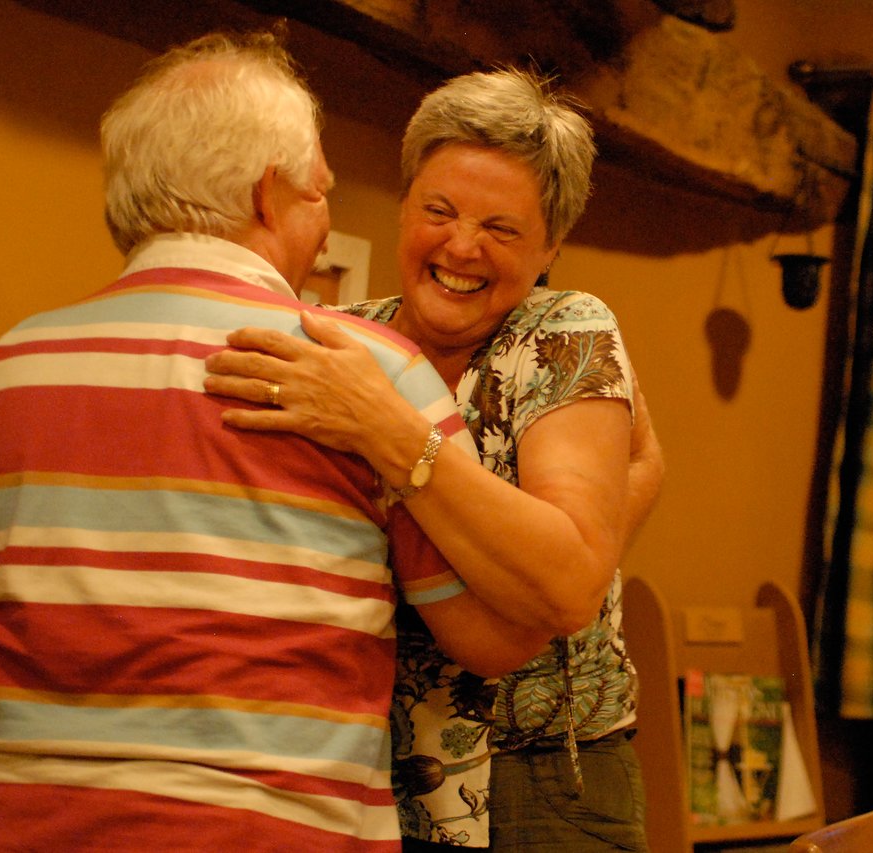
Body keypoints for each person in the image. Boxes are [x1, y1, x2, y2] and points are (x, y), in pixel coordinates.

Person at [0, 32, 544, 852]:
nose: (323, 224)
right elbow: (492, 638)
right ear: (265, 195)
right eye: (320, 193)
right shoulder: (365, 373)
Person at [203, 67, 664, 851]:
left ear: (551, 244)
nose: (461, 245)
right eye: (438, 211)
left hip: (538, 781)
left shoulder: (562, 334)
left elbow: (569, 581)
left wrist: (390, 432)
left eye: (502, 228)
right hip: (355, 771)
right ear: (403, 205)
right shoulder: (337, 337)